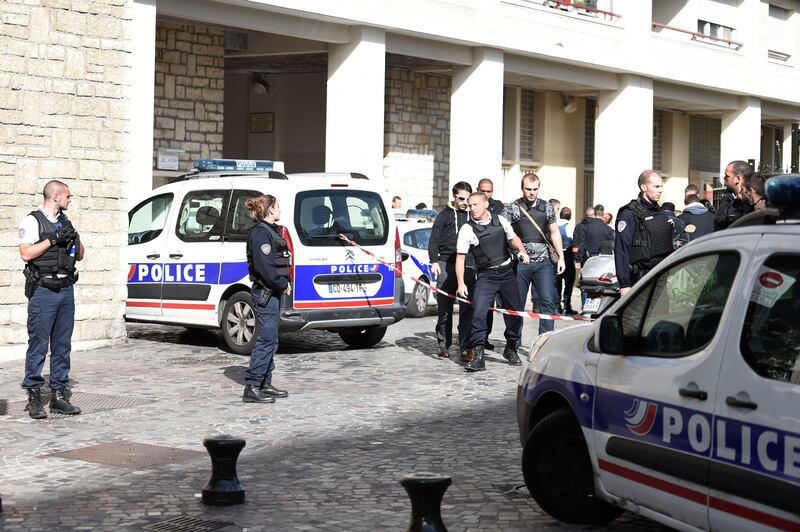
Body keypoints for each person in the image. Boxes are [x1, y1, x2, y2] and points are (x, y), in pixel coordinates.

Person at [18, 180, 85, 419]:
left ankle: (58, 395)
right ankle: (34, 395)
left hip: (65, 289)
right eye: (68, 195)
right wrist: (53, 239)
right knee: (38, 344)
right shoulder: (33, 220)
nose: (70, 199)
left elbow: (80, 255)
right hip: (44, 290)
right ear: (55, 197)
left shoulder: (66, 221)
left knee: (62, 345)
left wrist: (74, 239)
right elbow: (26, 253)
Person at [456, 192, 530, 371]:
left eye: (476, 204)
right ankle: (478, 355)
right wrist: (461, 283)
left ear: (485, 204)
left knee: (514, 312)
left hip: (506, 274)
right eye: (470, 205)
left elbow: (514, 239)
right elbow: (460, 258)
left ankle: (511, 347)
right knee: (478, 313)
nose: (472, 208)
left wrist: (522, 251)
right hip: (485, 276)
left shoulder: (500, 221)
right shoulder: (467, 229)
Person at [243, 194, 291, 404]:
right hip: (266, 292)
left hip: (273, 293)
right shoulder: (260, 234)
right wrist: (283, 284)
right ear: (270, 210)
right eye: (278, 206)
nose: (280, 210)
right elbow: (265, 268)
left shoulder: (270, 231)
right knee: (266, 340)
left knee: (272, 339)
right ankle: (252, 386)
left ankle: (265, 383)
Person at [504, 173, 565, 336]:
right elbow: (503, 233)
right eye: (528, 189)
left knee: (547, 302)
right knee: (516, 305)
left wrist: (561, 258)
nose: (531, 192)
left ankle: (544, 341)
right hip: (520, 263)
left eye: (535, 189)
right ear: (522, 188)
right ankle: (513, 343)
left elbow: (554, 232)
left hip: (543, 262)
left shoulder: (547, 207)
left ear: (539, 188)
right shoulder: (512, 208)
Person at [427, 182, 474, 359]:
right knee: (445, 308)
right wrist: (434, 261)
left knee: (466, 307)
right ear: (454, 197)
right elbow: (433, 241)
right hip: (446, 264)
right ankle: (443, 344)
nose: (464, 202)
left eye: (467, 199)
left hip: (467, 264)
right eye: (461, 198)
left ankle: (465, 345)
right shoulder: (444, 216)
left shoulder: (472, 215)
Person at [615, 170, 675, 296]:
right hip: (640, 278)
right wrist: (625, 285)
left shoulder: (660, 212)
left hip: (660, 276)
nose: (660, 190)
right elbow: (621, 249)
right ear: (644, 187)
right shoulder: (629, 213)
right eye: (656, 186)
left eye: (661, 187)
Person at [477, 178, 504, 349]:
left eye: (489, 191)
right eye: (483, 191)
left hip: (495, 260)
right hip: (476, 259)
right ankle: (474, 338)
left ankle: (485, 337)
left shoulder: (498, 207)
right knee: (477, 304)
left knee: (490, 305)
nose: (487, 194)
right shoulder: (473, 206)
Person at [715, 160, 754, 230]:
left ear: (738, 179)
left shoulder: (753, 201)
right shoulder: (727, 199)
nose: (724, 179)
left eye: (727, 176)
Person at [556, 206, 576, 314]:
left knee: (557, 281)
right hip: (567, 256)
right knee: (569, 282)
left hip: (556, 256)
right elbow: (573, 240)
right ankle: (567, 305)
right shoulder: (570, 226)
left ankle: (557, 305)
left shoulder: (555, 225)